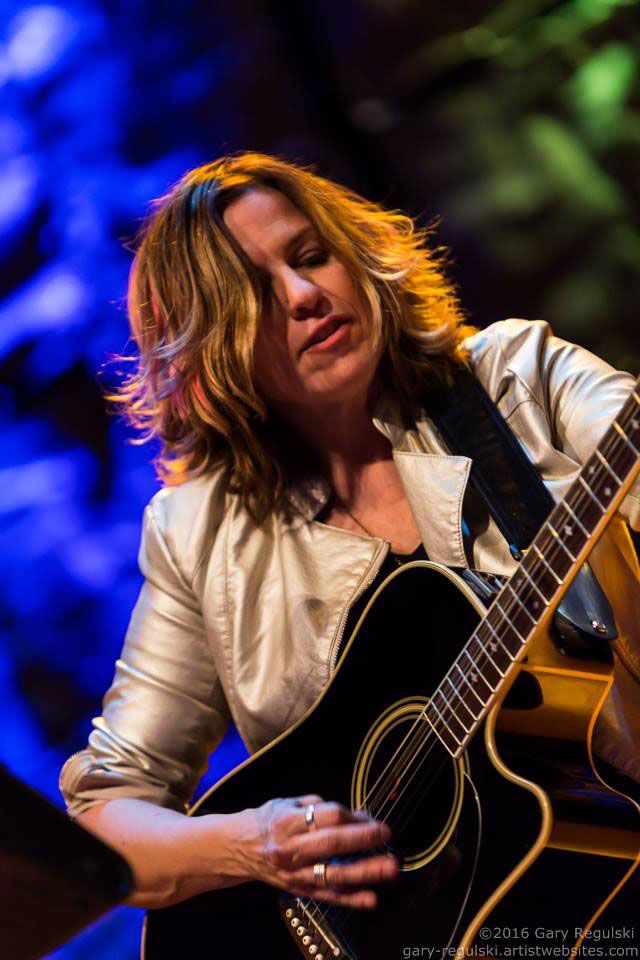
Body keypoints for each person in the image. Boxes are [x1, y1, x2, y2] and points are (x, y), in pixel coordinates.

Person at [60, 152, 640, 912]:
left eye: (310, 257)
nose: (305, 295)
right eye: (256, 293)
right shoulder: (198, 533)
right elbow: (107, 814)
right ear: (210, 346)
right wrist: (255, 844)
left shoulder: (518, 378)